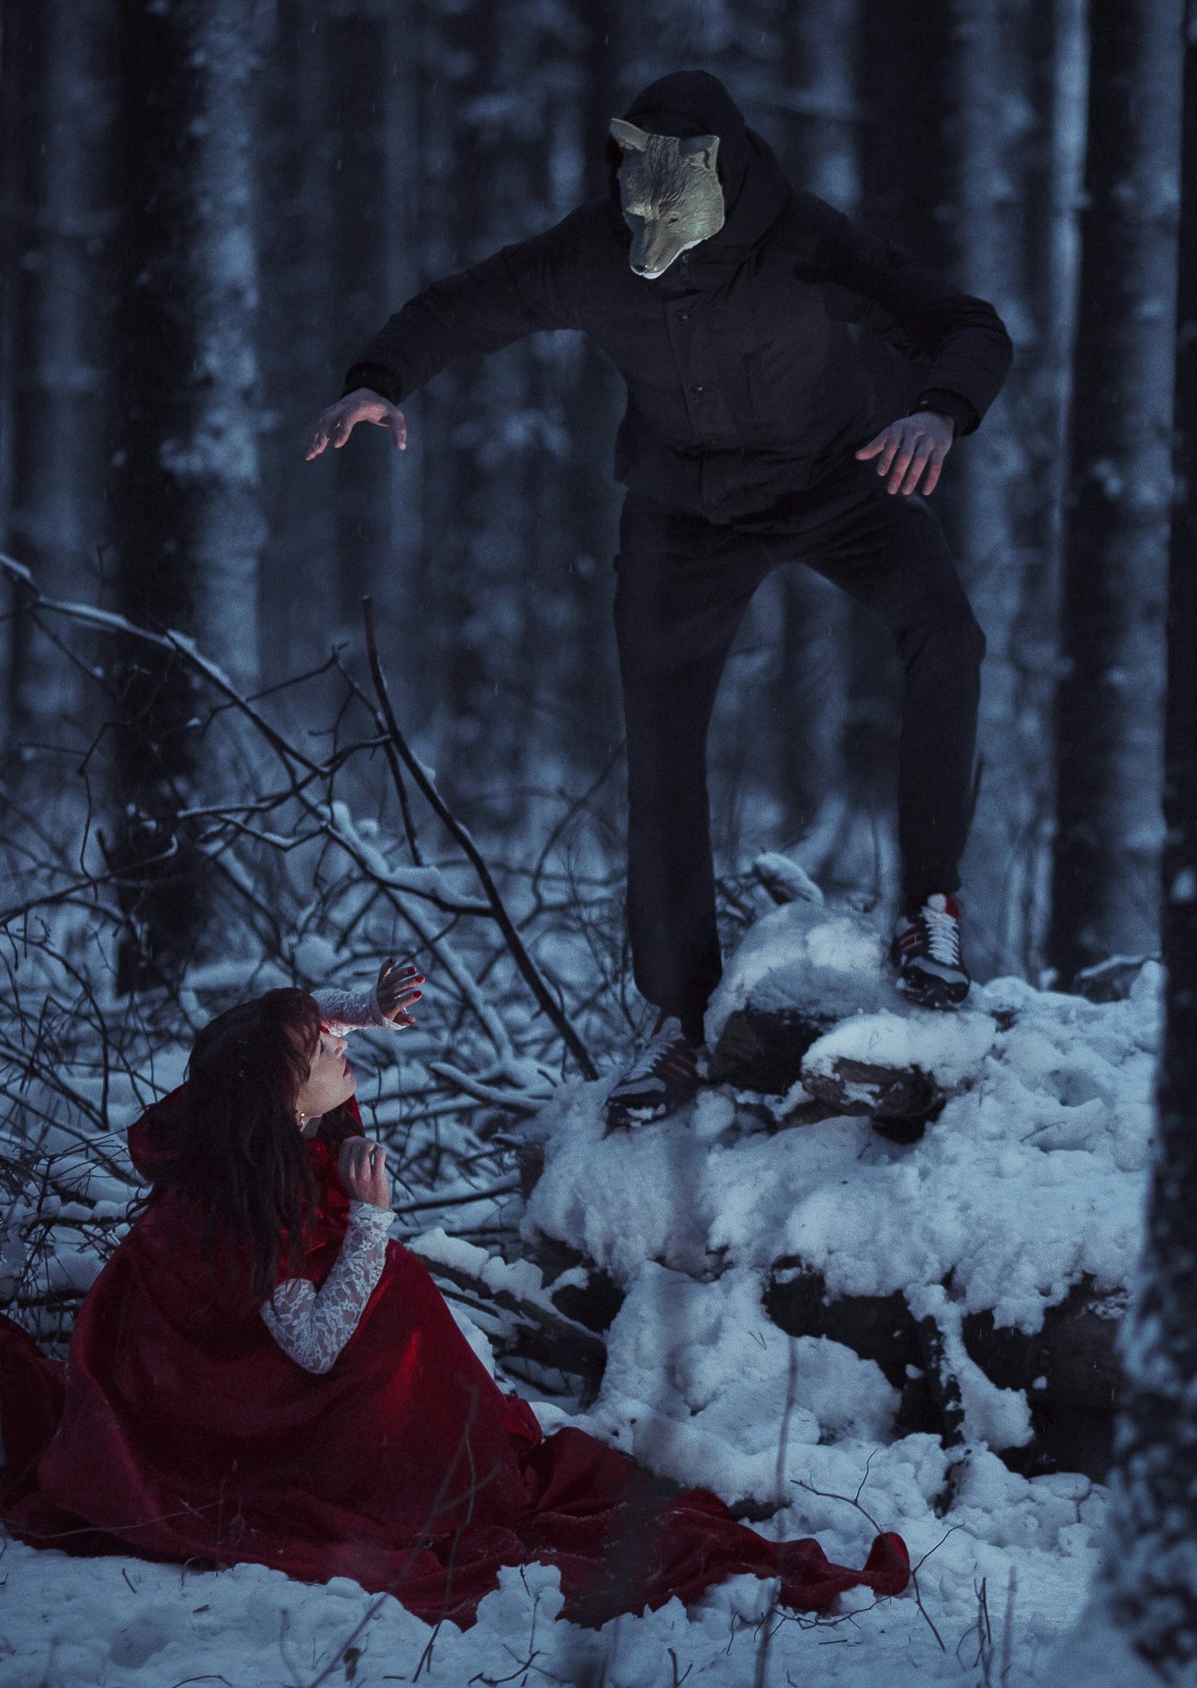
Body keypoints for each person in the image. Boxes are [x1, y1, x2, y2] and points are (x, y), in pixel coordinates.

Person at [303, 68, 1015, 1132]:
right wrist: (380, 378)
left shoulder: (802, 238)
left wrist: (941, 413)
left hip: (840, 480)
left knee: (946, 633)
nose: (651, 224)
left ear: (720, 186)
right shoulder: (594, 254)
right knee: (662, 742)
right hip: (685, 515)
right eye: (638, 200)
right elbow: (466, 305)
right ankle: (681, 1019)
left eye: (672, 203)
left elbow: (964, 323)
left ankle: (929, 913)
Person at [0, 964, 910, 1628]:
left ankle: (455, 1444)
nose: (345, 1049)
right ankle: (439, 1472)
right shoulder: (257, 1213)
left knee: (402, 1289)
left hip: (265, 1387)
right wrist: (374, 1223)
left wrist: (364, 1009)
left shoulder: (250, 1142)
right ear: (284, 1100)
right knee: (394, 1290)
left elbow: (289, 1032)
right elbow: (311, 1345)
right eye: (328, 1048)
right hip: (271, 1434)